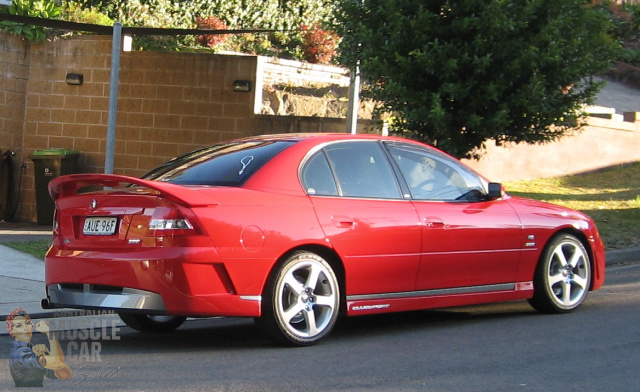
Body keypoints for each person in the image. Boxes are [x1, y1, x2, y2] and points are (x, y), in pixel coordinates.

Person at [7, 307, 72, 387]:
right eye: (19, 326)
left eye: (27, 323)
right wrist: (49, 332)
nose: (25, 329)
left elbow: (66, 375)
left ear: (32, 325)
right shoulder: (19, 354)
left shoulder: (32, 350)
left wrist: (48, 355)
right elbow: (57, 362)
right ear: (11, 331)